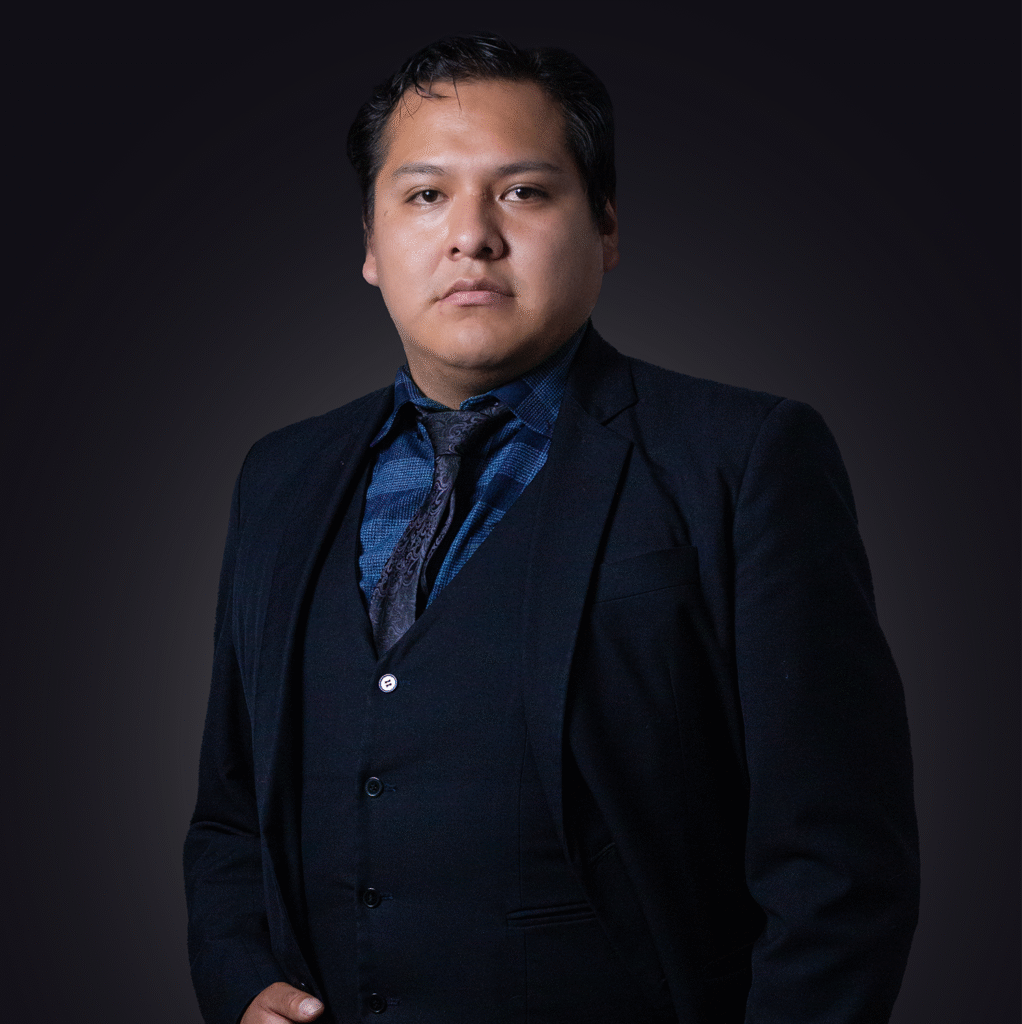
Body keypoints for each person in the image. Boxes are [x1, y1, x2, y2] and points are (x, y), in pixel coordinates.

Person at [184, 34, 919, 1024]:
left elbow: (838, 861)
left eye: (524, 191)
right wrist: (240, 981)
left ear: (605, 225)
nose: (471, 236)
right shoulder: (280, 477)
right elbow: (230, 811)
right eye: (425, 195)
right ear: (370, 243)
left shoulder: (742, 458)